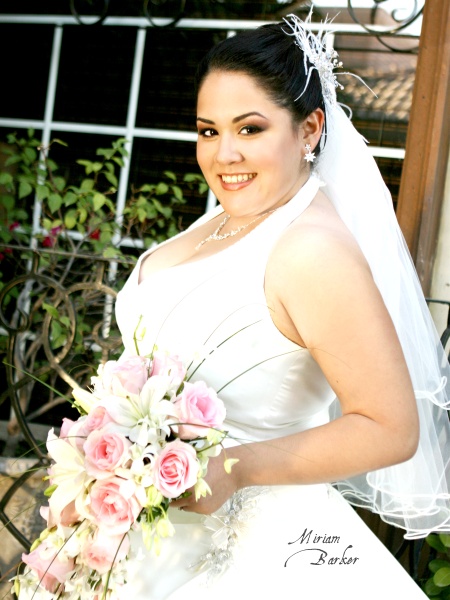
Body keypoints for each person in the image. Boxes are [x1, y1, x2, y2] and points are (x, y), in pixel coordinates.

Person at [115, 12, 450, 599]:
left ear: (310, 129)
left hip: (247, 549)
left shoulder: (312, 250)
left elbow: (391, 428)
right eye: (208, 131)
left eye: (249, 129)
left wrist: (235, 466)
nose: (222, 155)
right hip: (145, 527)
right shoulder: (228, 217)